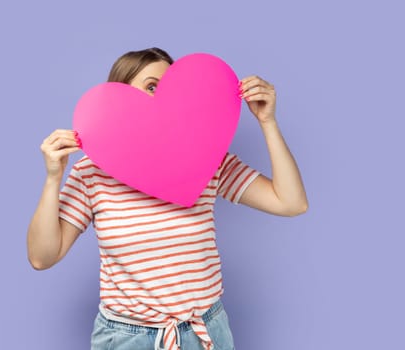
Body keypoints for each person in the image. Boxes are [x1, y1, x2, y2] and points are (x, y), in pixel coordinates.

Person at [27, 47, 308, 350]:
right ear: (119, 99)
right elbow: (42, 257)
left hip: (207, 332)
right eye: (151, 87)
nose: (163, 101)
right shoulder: (91, 173)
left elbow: (291, 202)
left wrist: (268, 122)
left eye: (171, 91)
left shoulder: (208, 161)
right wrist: (53, 178)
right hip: (128, 339)